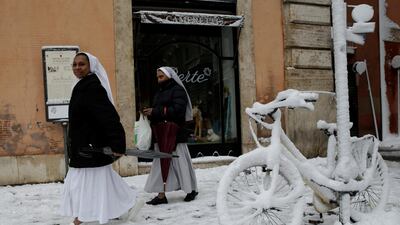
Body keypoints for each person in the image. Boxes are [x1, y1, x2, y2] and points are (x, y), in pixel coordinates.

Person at [60, 52, 143, 225]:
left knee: (83, 183)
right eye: (74, 64)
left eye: (81, 64)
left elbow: (108, 117)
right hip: (83, 147)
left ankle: (80, 217)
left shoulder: (93, 87)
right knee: (102, 181)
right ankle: (130, 203)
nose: (77, 68)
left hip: (90, 147)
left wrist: (117, 143)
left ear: (91, 66)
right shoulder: (82, 85)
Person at [143, 66, 198, 205]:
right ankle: (161, 196)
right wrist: (150, 113)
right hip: (161, 133)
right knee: (159, 164)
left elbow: (178, 110)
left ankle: (191, 190)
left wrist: (155, 111)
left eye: (161, 76)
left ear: (169, 76)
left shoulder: (178, 90)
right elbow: (160, 110)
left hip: (175, 133)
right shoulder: (160, 91)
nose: (158, 79)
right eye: (157, 77)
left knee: (180, 162)